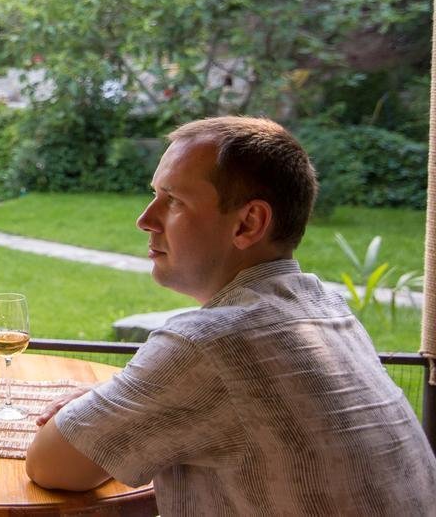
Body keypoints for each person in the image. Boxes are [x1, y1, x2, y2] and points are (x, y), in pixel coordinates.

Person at [25, 116, 436, 514]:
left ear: (248, 224)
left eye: (174, 201)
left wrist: (95, 414)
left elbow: (50, 465)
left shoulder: (211, 342)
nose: (145, 220)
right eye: (154, 195)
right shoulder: (328, 312)